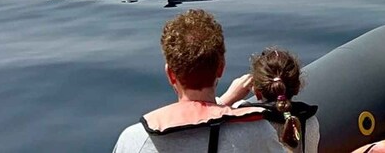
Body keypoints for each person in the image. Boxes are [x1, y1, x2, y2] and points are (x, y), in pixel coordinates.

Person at [112, 9, 285, 153]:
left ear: (170, 74)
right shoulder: (257, 133)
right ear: (221, 68)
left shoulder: (134, 140)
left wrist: (225, 102)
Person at [242, 47, 320, 153]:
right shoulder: (310, 121)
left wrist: (229, 100)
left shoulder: (247, 124)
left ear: (256, 90)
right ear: (296, 88)